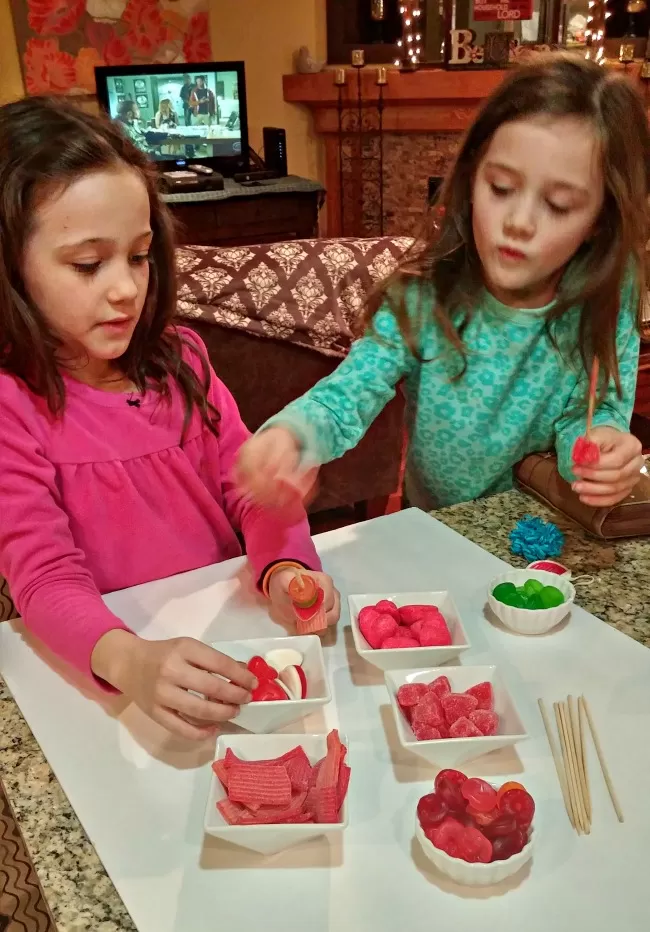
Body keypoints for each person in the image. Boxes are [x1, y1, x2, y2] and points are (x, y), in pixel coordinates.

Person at [0, 96, 339, 742]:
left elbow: (248, 489)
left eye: (139, 255)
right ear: (11, 269)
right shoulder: (13, 404)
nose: (127, 288)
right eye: (86, 264)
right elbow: (42, 576)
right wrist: (128, 659)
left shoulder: (182, 357)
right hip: (114, 680)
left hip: (229, 645)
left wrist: (286, 569)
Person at [236, 56, 648, 514]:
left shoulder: (609, 295)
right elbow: (349, 393)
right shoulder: (423, 295)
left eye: (559, 204)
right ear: (472, 178)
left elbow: (592, 412)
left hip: (537, 525)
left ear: (598, 222)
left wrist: (601, 449)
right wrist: (294, 436)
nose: (518, 222)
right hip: (435, 522)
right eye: (501, 188)